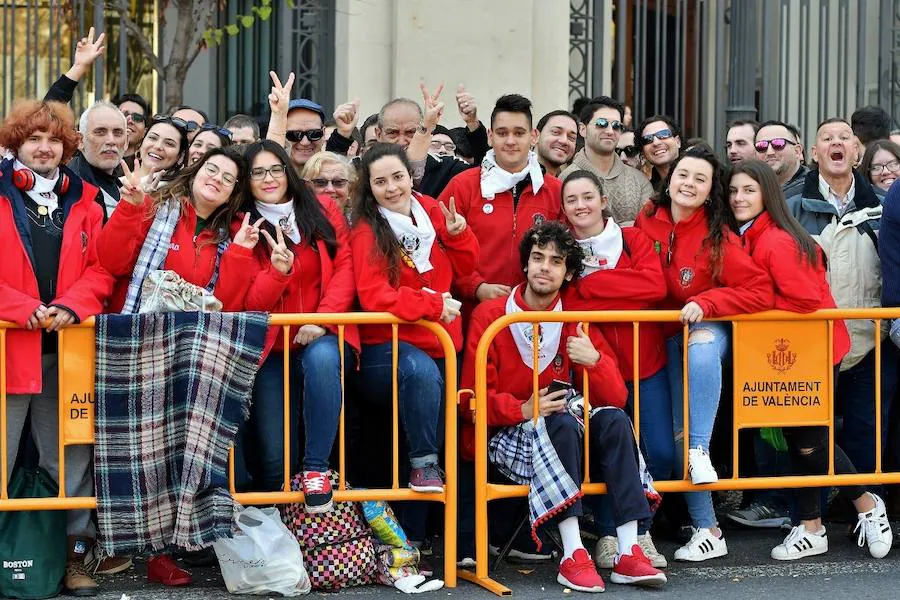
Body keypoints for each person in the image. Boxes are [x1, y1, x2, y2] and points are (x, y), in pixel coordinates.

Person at [461, 221, 667, 592]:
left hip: (565, 433)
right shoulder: (490, 316)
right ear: (525, 265)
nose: (544, 267)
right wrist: (522, 409)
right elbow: (469, 401)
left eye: (555, 262)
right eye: (537, 258)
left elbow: (616, 397)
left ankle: (629, 550)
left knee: (616, 420)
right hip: (507, 435)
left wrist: (594, 361)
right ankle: (572, 554)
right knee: (561, 422)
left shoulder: (574, 317)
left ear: (568, 272)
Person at [728, 160, 893, 560]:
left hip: (811, 346)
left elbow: (801, 297)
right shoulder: (756, 233)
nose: (738, 198)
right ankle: (818, 524)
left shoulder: (776, 239)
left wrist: (747, 300)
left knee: (810, 440)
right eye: (733, 191)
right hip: (794, 347)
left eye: (748, 190)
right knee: (805, 439)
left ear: (767, 192)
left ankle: (859, 509)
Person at [0, 99, 118, 595]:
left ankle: (72, 557)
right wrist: (18, 306)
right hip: (10, 348)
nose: (44, 148)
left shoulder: (87, 200)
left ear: (67, 147)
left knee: (69, 459)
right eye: (34, 139)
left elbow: (104, 269)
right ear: (16, 146)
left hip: (68, 351)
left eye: (53, 139)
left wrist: (72, 303)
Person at [634, 146, 775, 562]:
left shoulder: (718, 234)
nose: (688, 184)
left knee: (688, 442)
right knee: (661, 442)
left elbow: (759, 290)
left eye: (700, 179)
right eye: (683, 174)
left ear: (711, 191)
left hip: (701, 331)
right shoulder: (646, 217)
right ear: (669, 177)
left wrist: (709, 302)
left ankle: (706, 519)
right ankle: (685, 527)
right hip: (652, 338)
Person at [350, 142, 478, 496]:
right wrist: (430, 305)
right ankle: (422, 467)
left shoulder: (432, 210)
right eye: (380, 182)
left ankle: (419, 536)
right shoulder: (366, 230)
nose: (391, 188)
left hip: (441, 343)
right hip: (387, 348)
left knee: (438, 441)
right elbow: (374, 296)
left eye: (398, 177)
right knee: (419, 377)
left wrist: (460, 236)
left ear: (411, 177)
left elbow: (466, 270)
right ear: (368, 187)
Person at [558, 170, 669, 569]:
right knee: (609, 450)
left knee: (658, 450)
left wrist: (592, 284)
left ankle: (641, 530)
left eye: (588, 196)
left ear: (603, 200)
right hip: (596, 362)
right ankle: (610, 534)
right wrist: (623, 289)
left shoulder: (633, 238)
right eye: (572, 200)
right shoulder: (564, 249)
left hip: (647, 362)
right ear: (564, 208)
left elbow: (655, 287)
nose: (581, 205)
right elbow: (570, 306)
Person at [238, 140, 356, 510]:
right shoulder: (242, 223)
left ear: (288, 172)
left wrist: (321, 319)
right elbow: (251, 303)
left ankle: (316, 468)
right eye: (258, 172)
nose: (269, 178)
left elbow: (345, 265)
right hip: (271, 346)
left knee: (323, 360)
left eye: (275, 169)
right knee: (274, 457)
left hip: (321, 330)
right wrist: (276, 272)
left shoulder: (319, 208)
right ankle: (279, 542)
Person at [786, 118, 898, 477]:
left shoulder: (884, 206)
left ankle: (868, 514)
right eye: (827, 138)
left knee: (868, 434)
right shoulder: (789, 207)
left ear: (857, 151)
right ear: (815, 153)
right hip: (811, 342)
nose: (837, 143)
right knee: (810, 435)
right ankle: (809, 520)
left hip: (870, 342)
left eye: (844, 137)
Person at [438, 94, 563, 313]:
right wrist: (476, 287)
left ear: (534, 136)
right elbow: (438, 250)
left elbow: (566, 254)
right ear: (490, 136)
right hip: (473, 314)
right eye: (502, 133)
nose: (511, 141)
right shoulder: (462, 186)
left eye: (519, 133)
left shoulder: (555, 190)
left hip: (536, 317)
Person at [560, 97, 653, 225]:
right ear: (582, 129)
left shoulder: (640, 180)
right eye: (601, 123)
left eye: (616, 126)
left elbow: (649, 229)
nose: (610, 131)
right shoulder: (565, 179)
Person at [69, 101, 128, 220]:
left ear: (126, 142)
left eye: (117, 133)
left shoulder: (124, 188)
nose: (111, 140)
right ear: (80, 141)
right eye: (100, 132)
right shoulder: (69, 188)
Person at [755, 120, 807, 197]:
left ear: (797, 151)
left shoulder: (815, 190)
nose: (769, 152)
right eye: (761, 146)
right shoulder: (749, 191)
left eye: (778, 144)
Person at [300, 151, 356, 215]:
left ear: (350, 190)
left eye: (339, 182)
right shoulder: (292, 223)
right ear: (306, 187)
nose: (330, 189)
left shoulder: (361, 223)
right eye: (320, 182)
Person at [636, 115, 682, 190]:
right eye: (647, 139)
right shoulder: (646, 192)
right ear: (643, 153)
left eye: (663, 134)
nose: (656, 143)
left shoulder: (699, 172)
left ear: (678, 142)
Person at [534, 110, 578, 177]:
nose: (564, 141)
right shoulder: (516, 180)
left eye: (571, 137)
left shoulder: (568, 183)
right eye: (556, 132)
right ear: (536, 136)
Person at [113, 93, 151, 168]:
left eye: (137, 117)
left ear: (145, 131)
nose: (129, 121)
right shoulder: (96, 158)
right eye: (124, 114)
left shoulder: (150, 164)